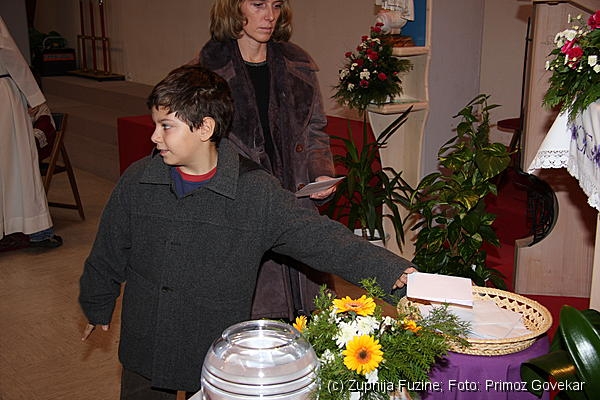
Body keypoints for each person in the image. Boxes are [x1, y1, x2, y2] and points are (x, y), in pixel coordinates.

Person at [79, 64, 417, 399]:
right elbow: (110, 247)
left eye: (166, 126)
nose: (154, 137)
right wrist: (97, 300)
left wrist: (389, 270)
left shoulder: (254, 192)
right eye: (155, 124)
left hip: (213, 349)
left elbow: (320, 238)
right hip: (147, 339)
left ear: (205, 128)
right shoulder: (139, 180)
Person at [196, 0, 338, 320]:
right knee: (256, 324)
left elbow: (315, 131)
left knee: (313, 323)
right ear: (234, 8)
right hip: (241, 214)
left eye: (276, 5)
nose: (270, 16)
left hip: (296, 208)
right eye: (258, 4)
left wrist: (320, 173)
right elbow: (199, 148)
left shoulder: (298, 65)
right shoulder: (205, 74)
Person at [0, 16, 62, 248]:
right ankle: (35, 229)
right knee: (19, 162)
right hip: (3, 97)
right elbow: (7, 51)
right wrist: (34, 96)